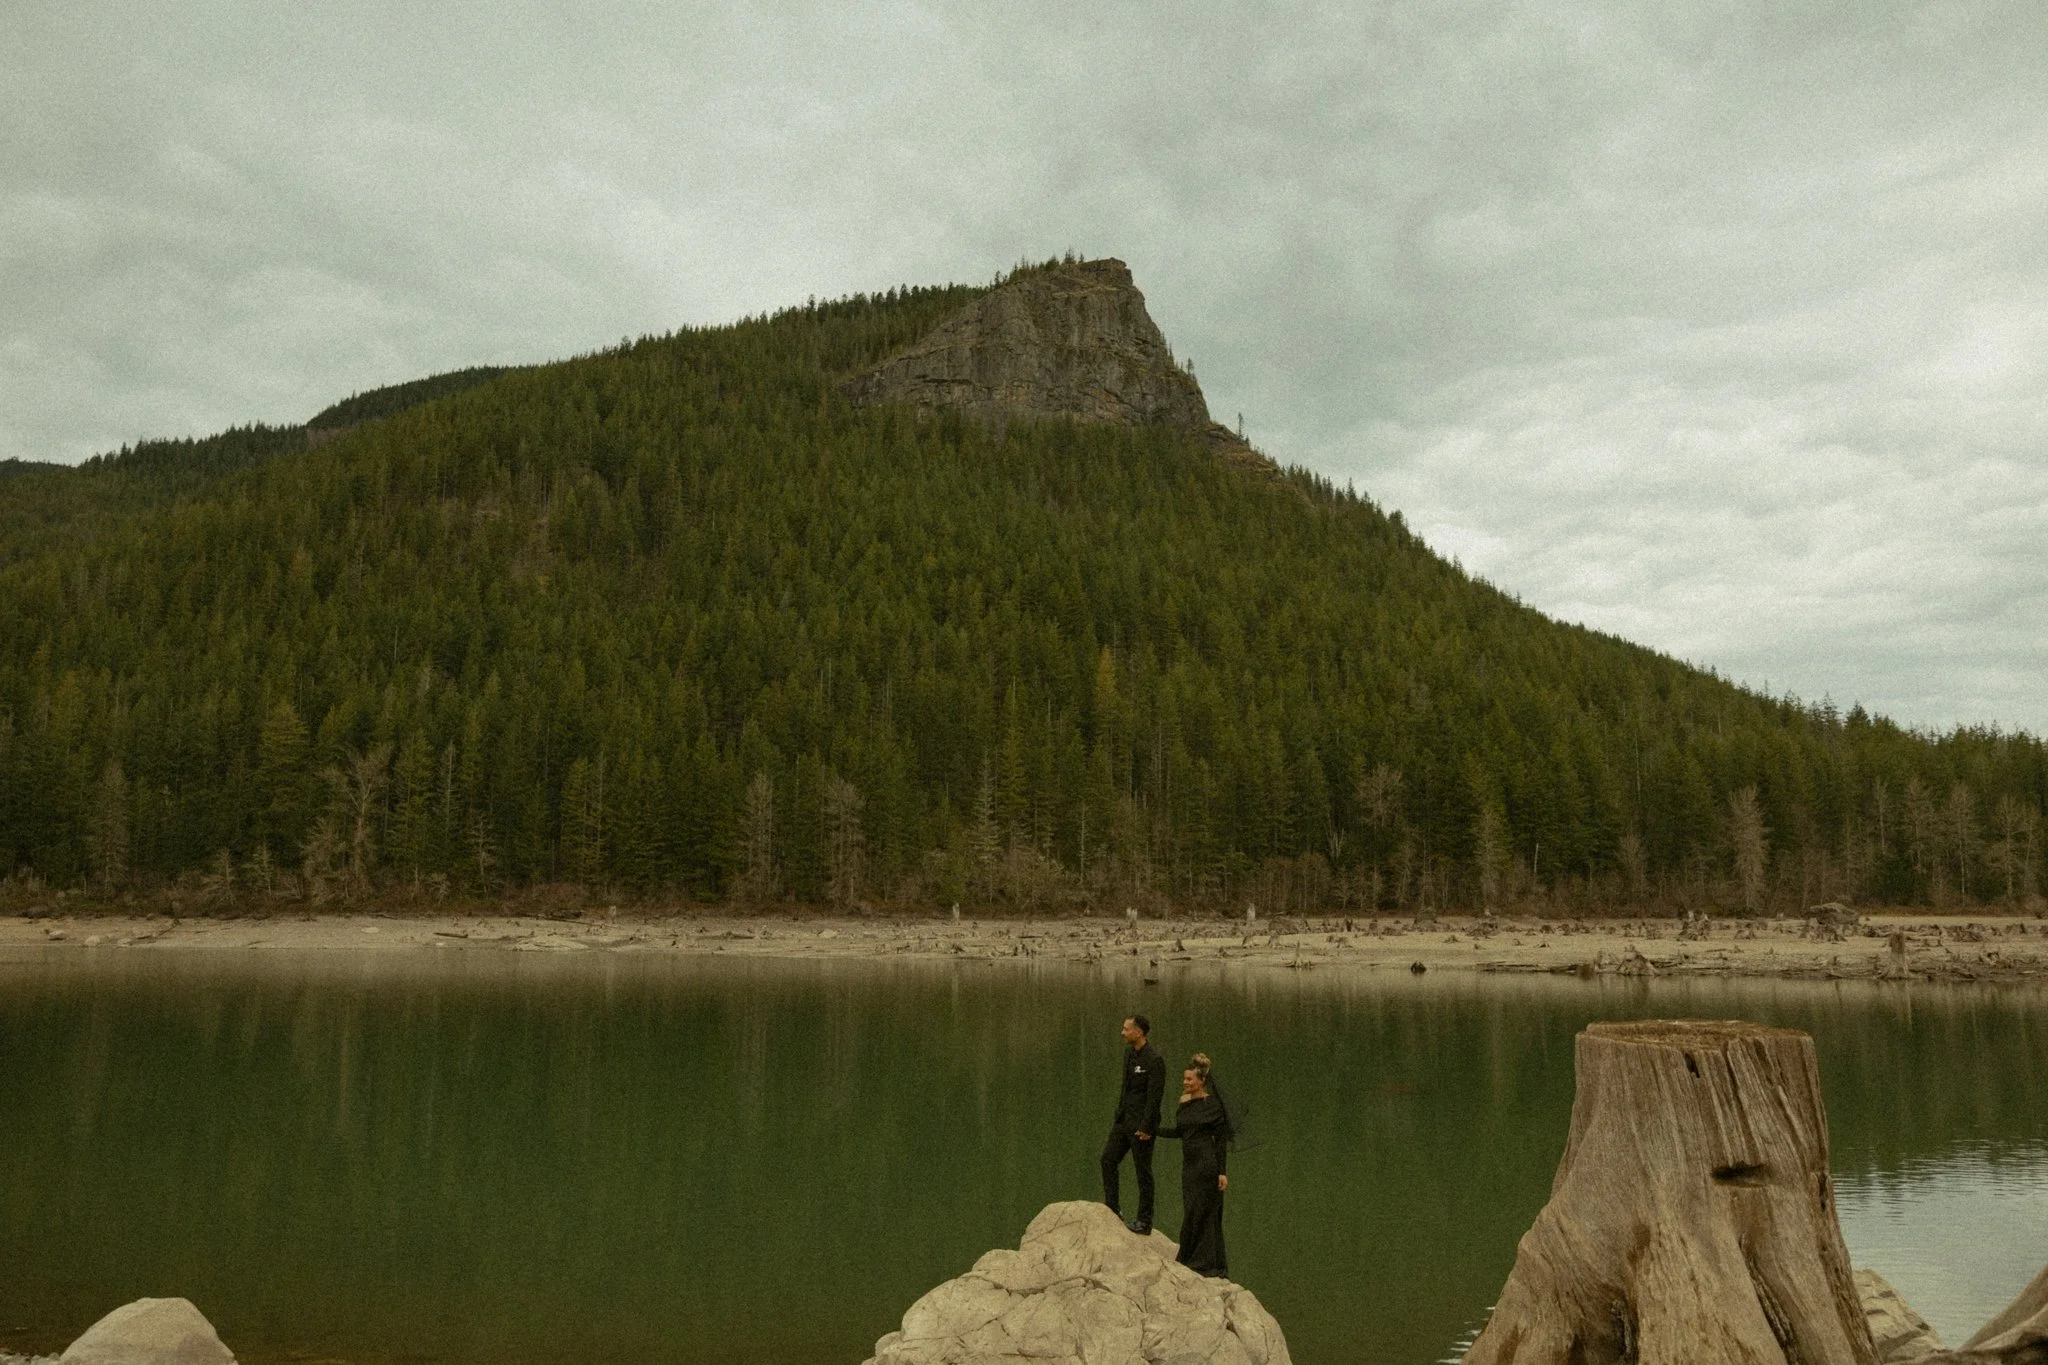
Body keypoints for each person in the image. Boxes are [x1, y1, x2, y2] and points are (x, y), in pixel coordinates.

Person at [1156, 1051, 1231, 1277]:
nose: (1185, 1082)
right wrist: (1153, 1131)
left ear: (1201, 1081)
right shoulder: (1184, 1101)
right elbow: (1181, 1132)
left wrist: (1222, 1172)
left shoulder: (1213, 1105)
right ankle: (1189, 1256)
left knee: (1204, 1211)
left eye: (1190, 1079)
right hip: (1189, 1166)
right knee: (1191, 1210)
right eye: (1184, 1078)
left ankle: (1207, 1262)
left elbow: (1220, 1142)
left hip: (1207, 1164)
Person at [1101, 1014, 1165, 1234]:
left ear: (1139, 1032)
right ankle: (1112, 1207)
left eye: (1126, 1029)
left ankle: (1144, 1221)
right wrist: (1119, 1114)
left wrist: (1147, 1127)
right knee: (1108, 1160)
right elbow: (1125, 1088)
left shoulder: (1154, 1060)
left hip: (1141, 1127)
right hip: (1123, 1121)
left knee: (1143, 1172)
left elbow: (1154, 1098)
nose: (1122, 1032)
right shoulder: (1129, 1054)